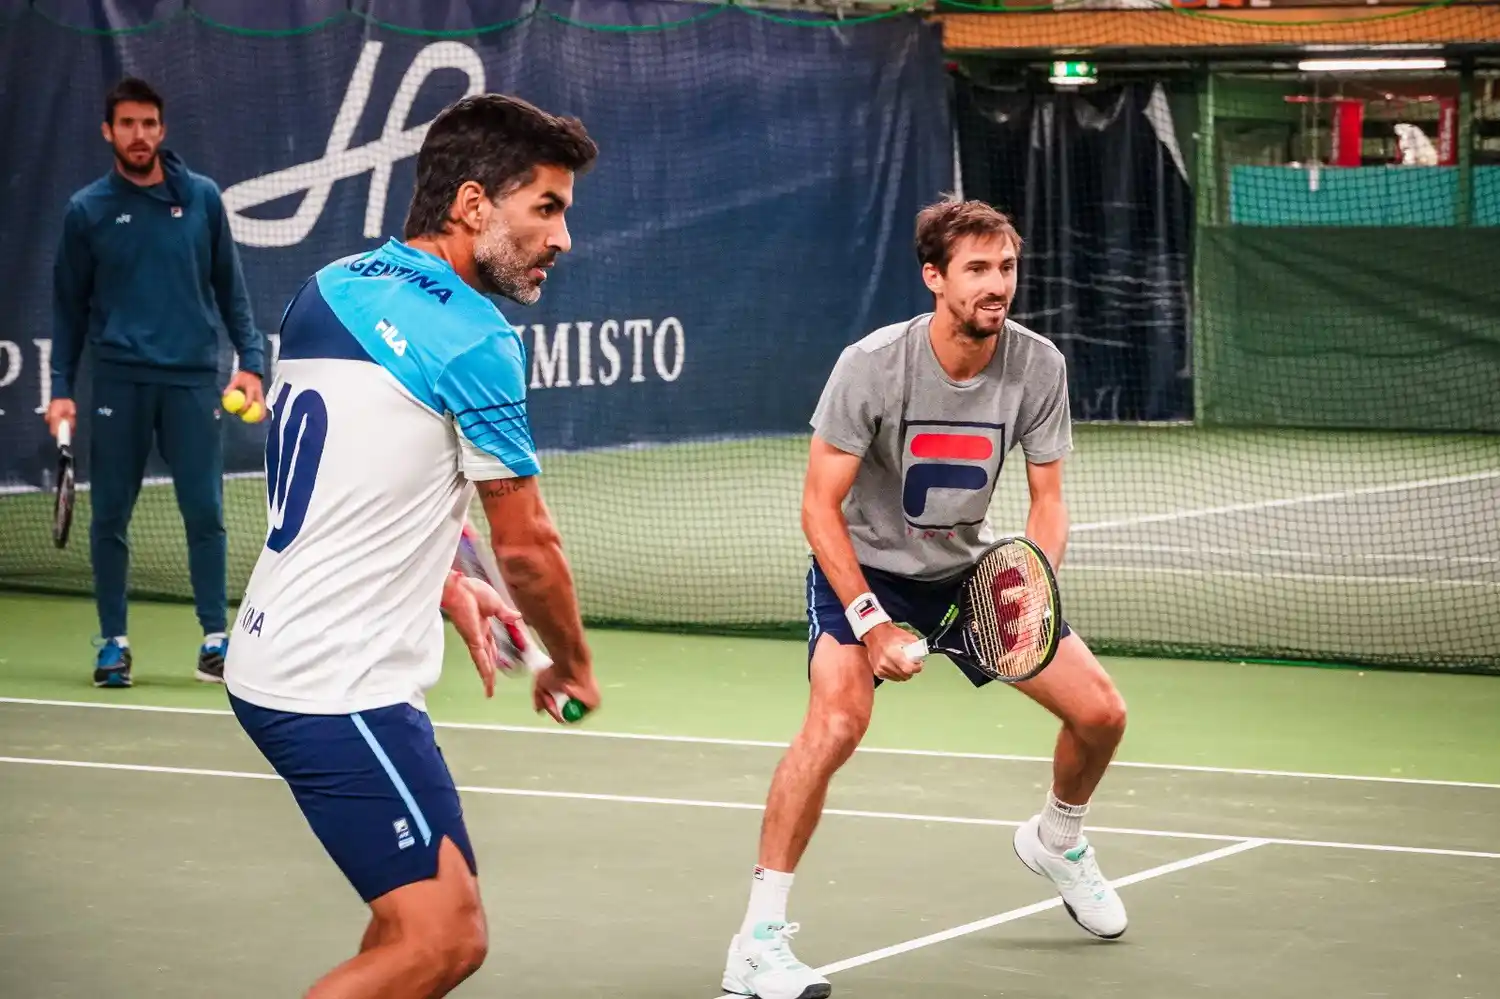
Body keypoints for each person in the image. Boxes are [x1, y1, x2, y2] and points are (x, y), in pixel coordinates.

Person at [223, 94, 601, 998]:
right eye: (545, 207)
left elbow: (368, 474)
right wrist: (569, 663)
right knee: (445, 941)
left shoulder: (331, 287)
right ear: (473, 205)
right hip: (335, 681)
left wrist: (443, 579)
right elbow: (529, 549)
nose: (562, 238)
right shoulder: (475, 337)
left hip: (283, 651)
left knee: (408, 919)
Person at [722, 199, 1131, 999]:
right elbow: (818, 505)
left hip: (968, 576)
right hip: (865, 573)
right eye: (977, 269)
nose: (997, 285)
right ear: (934, 277)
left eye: (1006, 267)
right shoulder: (871, 364)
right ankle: (757, 940)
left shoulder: (1038, 364)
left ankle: (1057, 838)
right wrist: (870, 621)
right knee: (836, 721)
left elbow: (1049, 500)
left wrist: (1030, 589)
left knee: (1102, 714)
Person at [47, 76, 265, 689]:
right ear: (108, 132)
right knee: (110, 516)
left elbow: (231, 289)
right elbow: (68, 308)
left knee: (206, 513)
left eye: (148, 124)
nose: (138, 135)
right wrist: (62, 386)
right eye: (127, 125)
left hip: (193, 382)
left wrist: (251, 360)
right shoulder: (86, 210)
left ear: (162, 130)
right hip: (119, 381)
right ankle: (113, 643)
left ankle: (214, 641)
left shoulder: (201, 199)